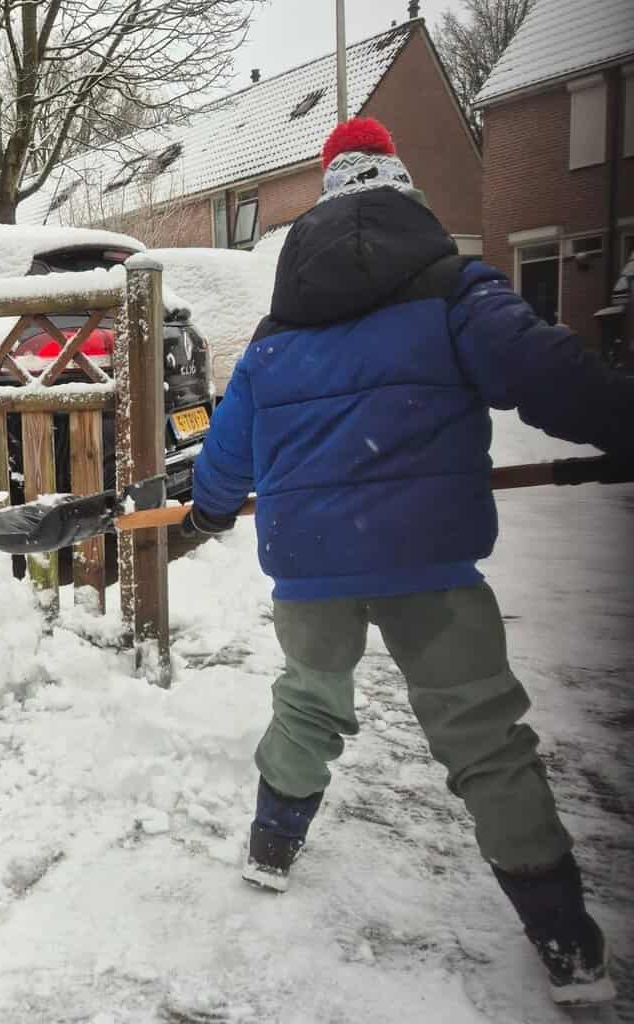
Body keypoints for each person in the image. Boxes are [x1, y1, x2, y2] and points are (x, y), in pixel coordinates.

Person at [182, 116, 633, 1006]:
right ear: (402, 186)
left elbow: (230, 444)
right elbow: (545, 371)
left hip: (310, 561)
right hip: (427, 553)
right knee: (484, 737)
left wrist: (204, 507)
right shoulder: (452, 288)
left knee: (309, 702)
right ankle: (560, 935)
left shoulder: (281, 322)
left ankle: (271, 845)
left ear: (322, 197)